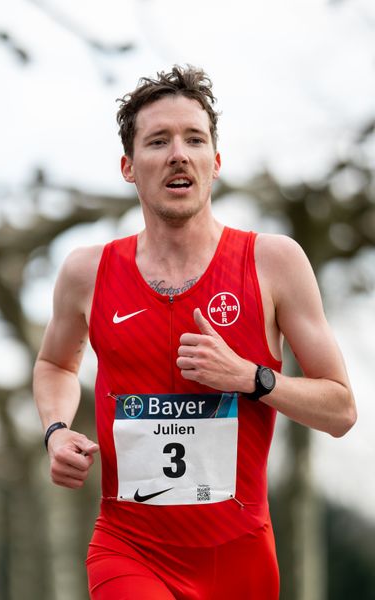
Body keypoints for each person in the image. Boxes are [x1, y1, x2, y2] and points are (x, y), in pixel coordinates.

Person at [33, 65, 357, 600]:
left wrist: (253, 377)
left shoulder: (273, 262)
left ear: (216, 163)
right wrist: (56, 430)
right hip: (127, 547)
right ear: (128, 167)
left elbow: (341, 409)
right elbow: (56, 365)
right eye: (157, 141)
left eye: (194, 139)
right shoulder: (86, 272)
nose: (178, 153)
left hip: (240, 553)